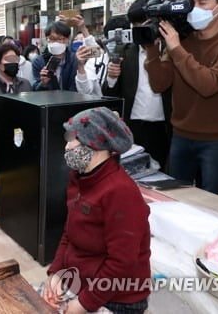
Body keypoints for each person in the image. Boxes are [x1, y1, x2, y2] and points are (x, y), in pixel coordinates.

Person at [44, 107, 150, 314]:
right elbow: (70, 233)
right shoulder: (80, 179)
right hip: (83, 282)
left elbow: (122, 262)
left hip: (117, 297)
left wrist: (84, 303)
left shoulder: (120, 192)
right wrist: (56, 272)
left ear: (94, 144)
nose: (66, 147)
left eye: (72, 139)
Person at [145, 0, 218, 196]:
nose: (195, 9)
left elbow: (208, 85)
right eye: (192, 3)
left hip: (217, 141)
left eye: (203, 3)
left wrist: (175, 47)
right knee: (178, 199)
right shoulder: (182, 40)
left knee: (212, 204)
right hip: (181, 136)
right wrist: (152, 49)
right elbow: (159, 84)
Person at [102, 0, 172, 170]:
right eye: (135, 26)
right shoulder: (124, 52)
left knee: (163, 178)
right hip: (132, 127)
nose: (140, 31)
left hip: (163, 129)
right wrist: (112, 77)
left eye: (145, 25)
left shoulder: (172, 50)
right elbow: (110, 95)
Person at [0, 44, 32, 170]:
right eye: (9, 60)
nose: (13, 63)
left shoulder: (25, 84)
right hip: (0, 136)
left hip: (24, 135)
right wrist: (6, 121)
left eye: (16, 59)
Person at [75, 17, 129, 97]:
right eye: (113, 38)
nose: (117, 42)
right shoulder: (96, 60)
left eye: (121, 38)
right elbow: (85, 91)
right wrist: (81, 66)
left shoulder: (136, 60)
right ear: (106, 39)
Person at [32, 21, 77, 91]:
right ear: (47, 39)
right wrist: (43, 83)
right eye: (52, 39)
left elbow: (75, 86)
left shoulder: (74, 59)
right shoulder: (38, 61)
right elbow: (35, 91)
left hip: (70, 100)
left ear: (67, 39)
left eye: (59, 39)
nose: (55, 42)